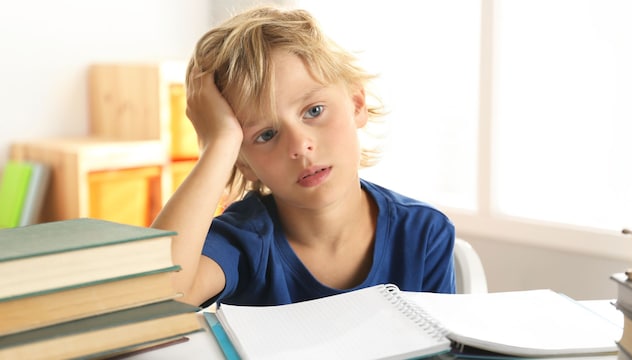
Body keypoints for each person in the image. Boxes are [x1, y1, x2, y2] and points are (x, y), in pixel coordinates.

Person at [152, 5, 456, 307]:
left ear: (357, 103)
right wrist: (220, 143)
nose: (299, 146)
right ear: (243, 163)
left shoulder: (424, 233)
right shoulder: (244, 240)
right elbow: (153, 301)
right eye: (266, 135)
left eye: (314, 111)